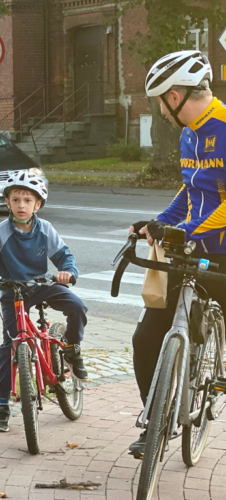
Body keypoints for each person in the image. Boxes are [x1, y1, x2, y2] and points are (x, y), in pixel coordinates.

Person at [127, 50, 226, 458]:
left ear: (174, 96)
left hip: (221, 257)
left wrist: (185, 230)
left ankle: (212, 382)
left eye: (160, 102)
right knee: (145, 338)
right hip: (189, 252)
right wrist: (157, 222)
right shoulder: (189, 133)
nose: (162, 112)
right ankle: (156, 421)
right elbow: (190, 191)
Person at [0, 170, 88, 432]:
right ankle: (2, 405)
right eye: (16, 200)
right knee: (9, 346)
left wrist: (68, 272)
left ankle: (72, 349)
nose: (22, 205)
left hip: (41, 285)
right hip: (12, 291)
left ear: (38, 204)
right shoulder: (1, 232)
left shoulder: (45, 229)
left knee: (76, 306)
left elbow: (65, 256)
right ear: (7, 203)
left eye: (28, 200)